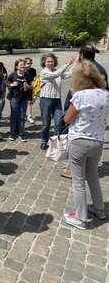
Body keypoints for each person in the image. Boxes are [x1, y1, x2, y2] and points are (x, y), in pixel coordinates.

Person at [62, 61, 109, 230]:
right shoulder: (106, 94)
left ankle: (80, 217)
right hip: (97, 141)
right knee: (93, 175)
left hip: (80, 141)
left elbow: (67, 119)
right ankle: (99, 208)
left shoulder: (80, 96)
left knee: (78, 180)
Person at [61, 44, 109, 179]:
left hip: (81, 114)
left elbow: (70, 116)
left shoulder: (84, 69)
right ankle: (85, 170)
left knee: (77, 143)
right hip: (96, 124)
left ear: (82, 55)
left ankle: (75, 170)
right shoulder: (101, 69)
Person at [39, 53, 77, 150]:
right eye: (48, 61)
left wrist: (76, 62)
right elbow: (54, 75)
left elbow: (69, 73)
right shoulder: (43, 72)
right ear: (44, 62)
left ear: (55, 62)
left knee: (58, 122)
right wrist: (67, 63)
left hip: (57, 101)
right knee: (45, 123)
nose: (50, 63)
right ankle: (44, 141)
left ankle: (56, 143)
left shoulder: (58, 72)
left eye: (52, 61)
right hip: (46, 100)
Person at [7, 59, 32, 142]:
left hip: (24, 99)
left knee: (22, 116)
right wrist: (11, 85)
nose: (22, 66)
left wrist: (28, 86)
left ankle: (21, 133)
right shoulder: (13, 75)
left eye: (23, 65)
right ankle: (12, 133)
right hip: (14, 98)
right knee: (13, 116)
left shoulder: (27, 75)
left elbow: (31, 85)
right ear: (16, 67)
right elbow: (6, 82)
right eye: (20, 65)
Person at [24, 57, 36, 124]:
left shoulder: (33, 70)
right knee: (23, 102)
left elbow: (34, 79)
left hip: (30, 88)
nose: (29, 65)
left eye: (31, 63)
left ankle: (29, 115)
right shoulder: (22, 70)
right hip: (22, 89)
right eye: (28, 63)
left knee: (30, 102)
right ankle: (23, 115)